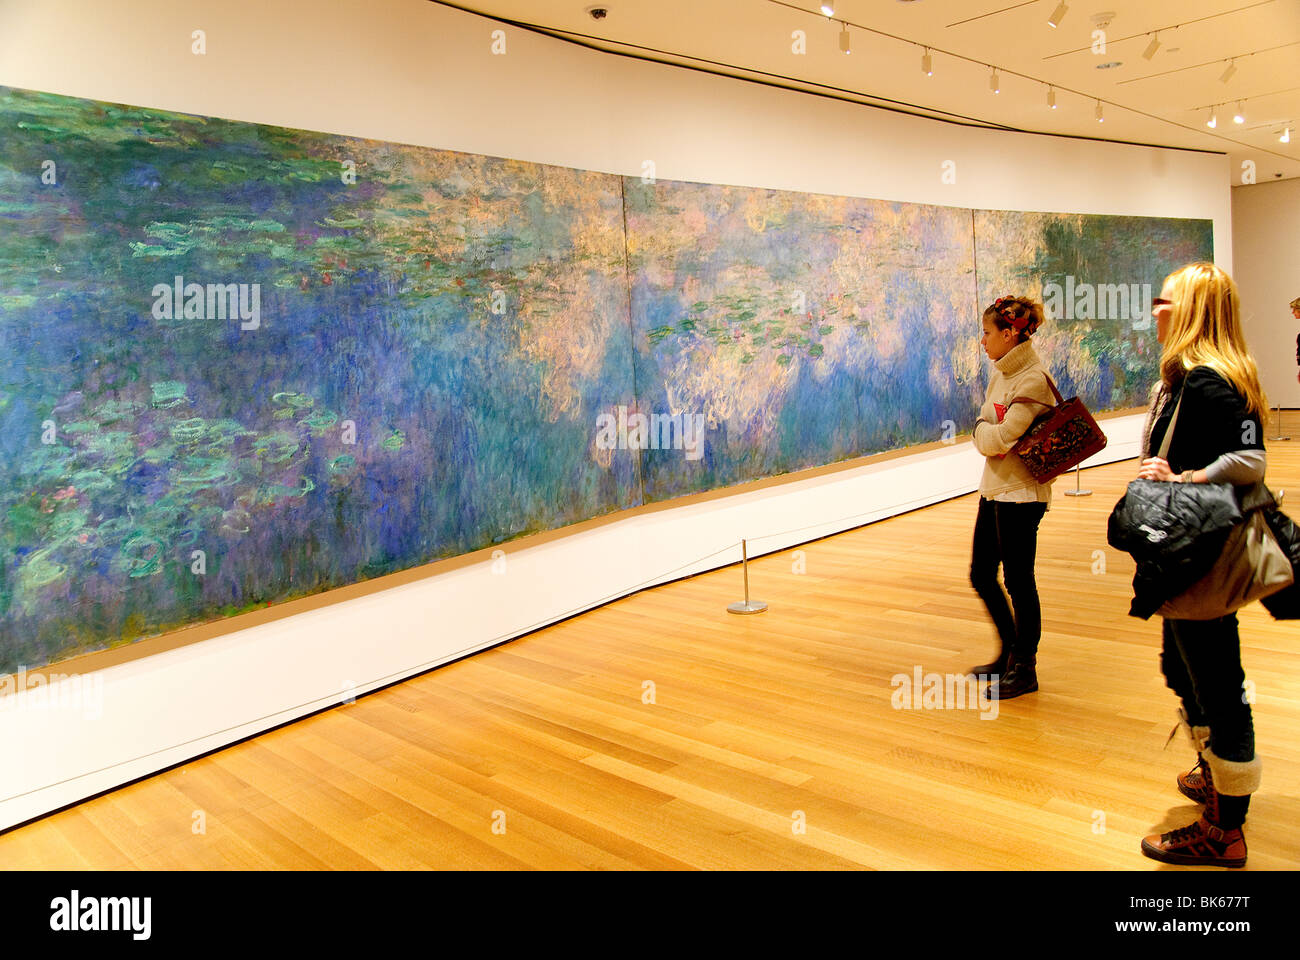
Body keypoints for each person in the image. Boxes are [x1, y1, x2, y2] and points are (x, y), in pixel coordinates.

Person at [1136, 262, 1267, 868]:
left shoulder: (1208, 384)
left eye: (1163, 301)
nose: (1154, 309)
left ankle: (1225, 830)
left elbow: (1250, 462)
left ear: (1186, 311)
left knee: (1214, 684)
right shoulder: (1197, 378)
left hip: (1202, 557)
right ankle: (1215, 772)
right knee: (1183, 668)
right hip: (1197, 552)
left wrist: (1184, 476)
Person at [968, 296, 1056, 700]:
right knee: (982, 574)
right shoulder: (1002, 374)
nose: (982, 341)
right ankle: (1008, 654)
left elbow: (999, 437)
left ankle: (1025, 668)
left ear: (1009, 334)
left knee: (1020, 582)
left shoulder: (1032, 380)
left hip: (1022, 494)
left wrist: (985, 433)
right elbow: (991, 431)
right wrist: (988, 433)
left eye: (987, 333)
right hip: (996, 488)